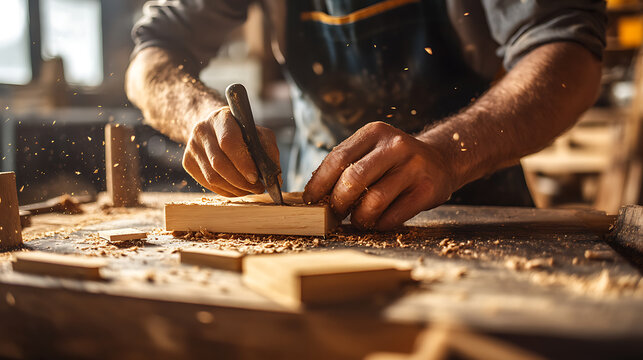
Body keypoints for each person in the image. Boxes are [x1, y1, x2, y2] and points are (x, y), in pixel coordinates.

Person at [125, 0, 606, 230]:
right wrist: (196, 113)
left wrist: (447, 153)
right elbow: (153, 54)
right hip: (314, 208)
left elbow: (569, 53)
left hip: (472, 193)